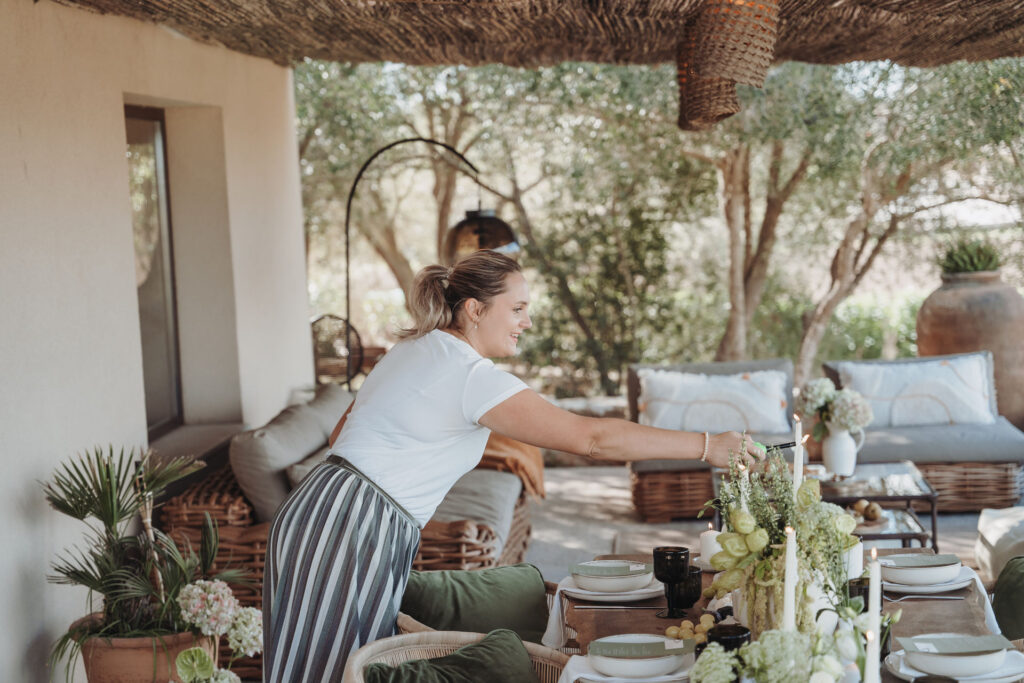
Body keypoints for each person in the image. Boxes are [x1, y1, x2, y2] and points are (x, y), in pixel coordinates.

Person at [263, 250, 760, 682]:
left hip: (319, 510)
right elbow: (591, 438)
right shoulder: (468, 373)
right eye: (517, 309)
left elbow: (338, 437)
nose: (526, 322)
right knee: (334, 671)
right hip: (354, 525)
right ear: (476, 310)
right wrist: (708, 445)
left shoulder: (414, 349)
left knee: (312, 666)